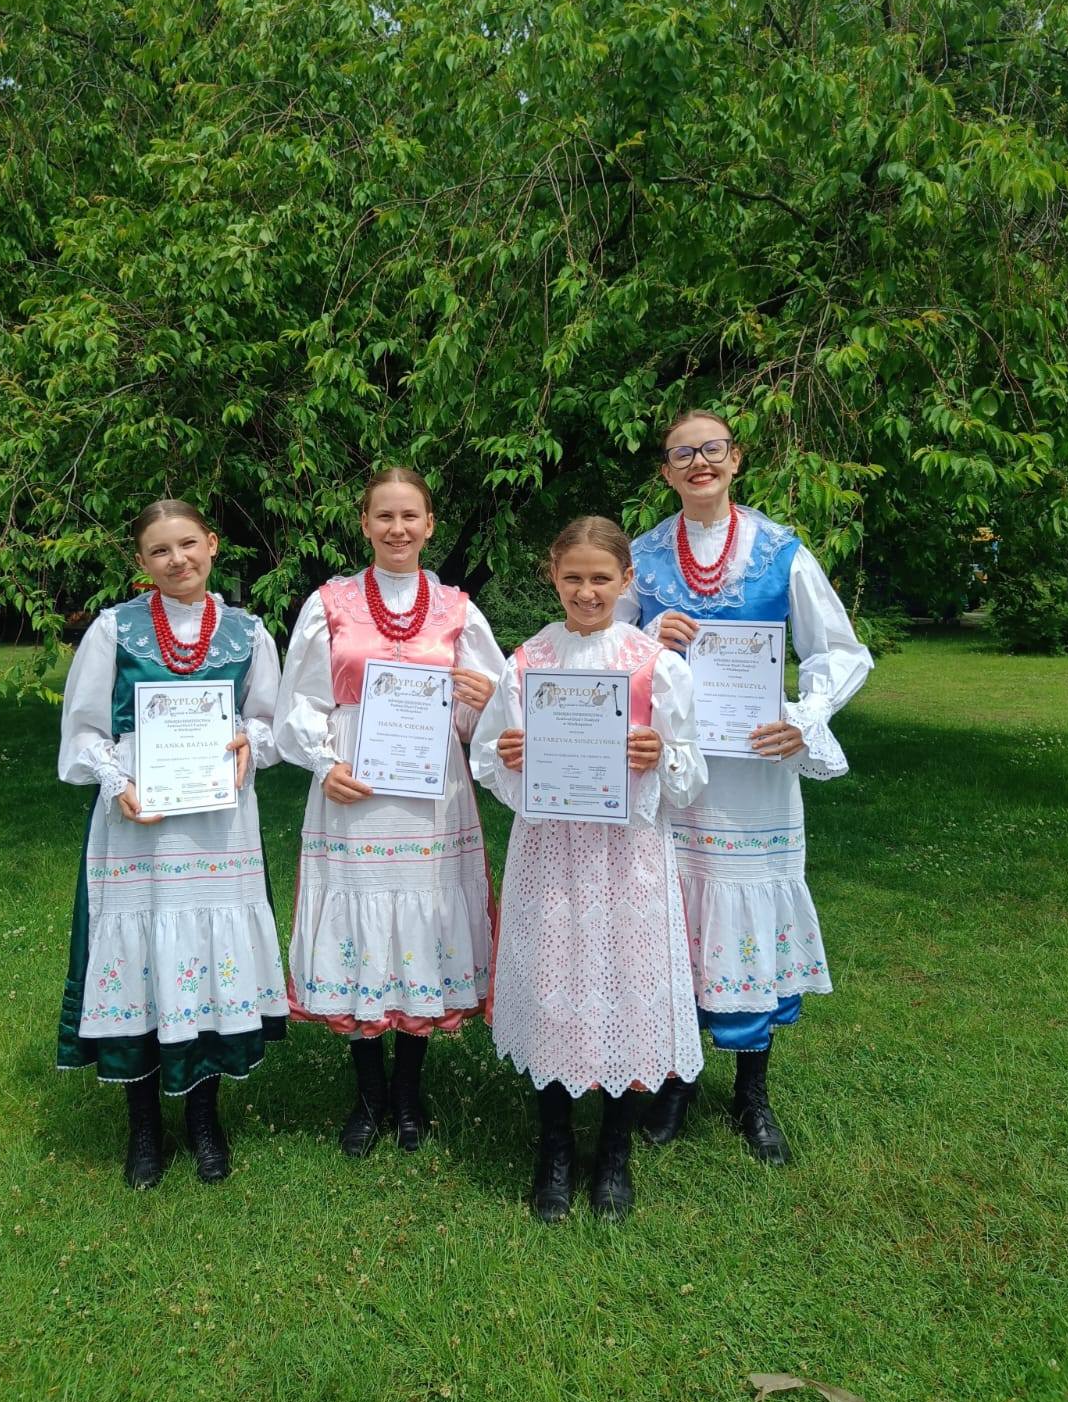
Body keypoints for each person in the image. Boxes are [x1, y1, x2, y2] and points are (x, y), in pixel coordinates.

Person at [620, 410, 873, 1164]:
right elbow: (601, 646)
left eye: (713, 449)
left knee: (749, 917)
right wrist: (645, 640)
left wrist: (806, 717)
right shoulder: (641, 557)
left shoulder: (779, 551)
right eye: (683, 453)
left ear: (736, 459)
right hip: (673, 773)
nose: (699, 462)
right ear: (665, 471)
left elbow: (839, 650)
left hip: (755, 772)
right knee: (675, 915)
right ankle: (678, 1077)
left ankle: (752, 1092)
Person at [471, 517, 708, 1222]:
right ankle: (554, 1146)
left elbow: (690, 772)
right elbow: (487, 755)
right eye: (572, 577)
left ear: (626, 580)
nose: (586, 591)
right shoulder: (527, 662)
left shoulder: (654, 664)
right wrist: (510, 757)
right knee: (554, 984)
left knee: (625, 985)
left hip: (627, 856)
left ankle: (613, 1150)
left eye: (600, 578)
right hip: (552, 853)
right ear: (553, 575)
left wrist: (659, 755)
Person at [57, 499, 287, 1189]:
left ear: (212, 544)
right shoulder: (114, 629)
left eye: (188, 544)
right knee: (141, 958)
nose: (177, 559)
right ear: (142, 562)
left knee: (209, 957)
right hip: (141, 821)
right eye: (160, 550)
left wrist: (251, 742)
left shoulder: (248, 632)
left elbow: (269, 721)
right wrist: (117, 778)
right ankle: (144, 1127)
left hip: (218, 822)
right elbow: (84, 728)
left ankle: (204, 1118)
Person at [273, 468, 504, 1156]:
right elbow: (299, 702)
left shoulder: (458, 610)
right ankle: (369, 1093)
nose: (397, 529)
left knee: (421, 923)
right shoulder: (330, 605)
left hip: (431, 793)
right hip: (355, 787)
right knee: (363, 920)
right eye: (384, 516)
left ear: (430, 525)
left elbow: (492, 716)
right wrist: (324, 763)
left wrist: (483, 698)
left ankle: (408, 1091)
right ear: (365, 524)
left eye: (410, 516)